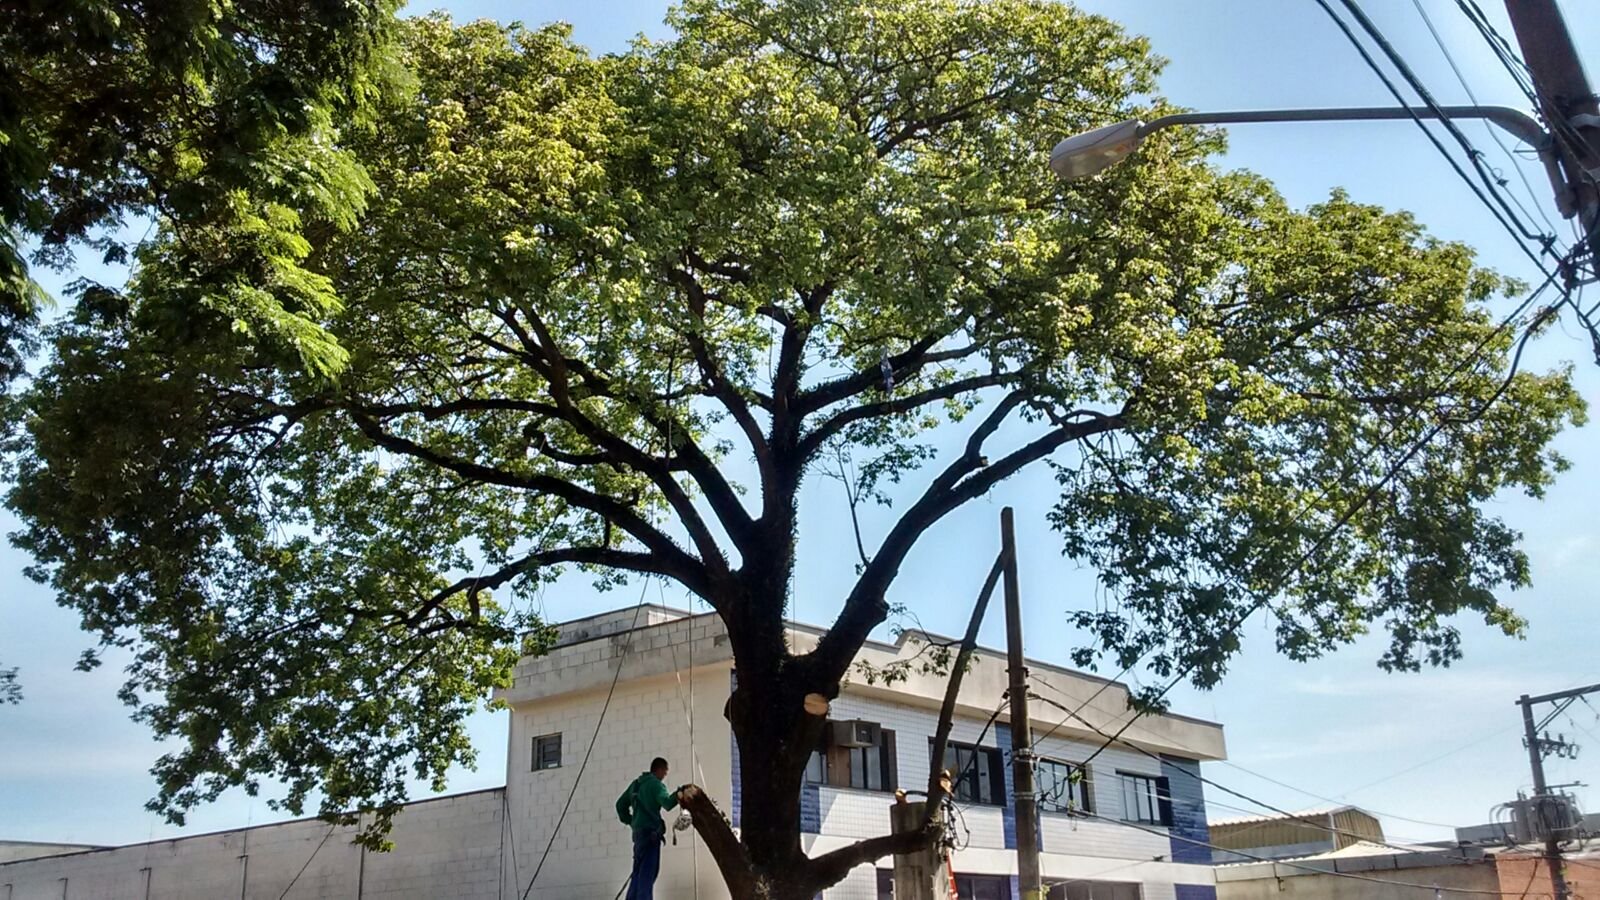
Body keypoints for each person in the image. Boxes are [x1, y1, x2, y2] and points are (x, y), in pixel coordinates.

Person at [616, 757, 685, 900]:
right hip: (651, 836)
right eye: (665, 772)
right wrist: (679, 794)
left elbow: (620, 805)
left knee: (637, 875)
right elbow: (667, 803)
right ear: (659, 769)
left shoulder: (635, 785)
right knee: (647, 876)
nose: (664, 776)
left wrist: (632, 821)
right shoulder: (656, 785)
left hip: (638, 836)